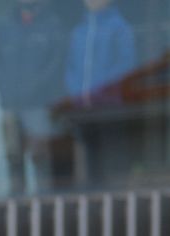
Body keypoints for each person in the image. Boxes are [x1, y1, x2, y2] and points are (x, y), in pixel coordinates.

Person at [0, 0, 70, 195]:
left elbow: (57, 63)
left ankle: (45, 198)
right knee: (12, 154)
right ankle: (16, 197)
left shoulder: (53, 25)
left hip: (38, 104)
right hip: (10, 103)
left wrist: (38, 87)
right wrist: (3, 88)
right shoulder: (3, 26)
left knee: (40, 154)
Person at [63, 0, 136, 187]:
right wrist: (76, 92)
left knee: (113, 160)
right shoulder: (79, 30)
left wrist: (101, 88)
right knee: (90, 162)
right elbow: (71, 67)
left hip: (108, 107)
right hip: (84, 108)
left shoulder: (119, 27)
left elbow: (126, 65)